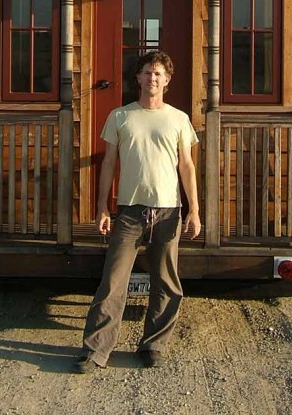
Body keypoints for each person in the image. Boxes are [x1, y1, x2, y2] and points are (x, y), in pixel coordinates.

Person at [74, 50, 201, 373]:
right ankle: (96, 351)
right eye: (147, 72)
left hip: (168, 210)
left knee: (166, 282)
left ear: (167, 81)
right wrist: (102, 207)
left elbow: (186, 166)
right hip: (129, 211)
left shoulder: (178, 119)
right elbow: (108, 165)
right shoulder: (120, 117)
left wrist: (194, 210)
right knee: (113, 281)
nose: (152, 78)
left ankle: (154, 344)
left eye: (158, 73)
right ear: (138, 79)